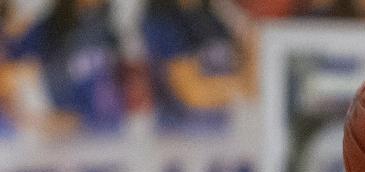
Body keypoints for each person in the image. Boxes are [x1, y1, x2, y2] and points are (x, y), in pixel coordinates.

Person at [6, 0, 125, 136]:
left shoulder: (109, 28)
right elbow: (9, 71)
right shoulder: (47, 29)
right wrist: (30, 117)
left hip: (109, 134)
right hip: (63, 138)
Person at [140, 0, 255, 133]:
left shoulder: (215, 16)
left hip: (219, 132)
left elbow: (250, 86)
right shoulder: (162, 22)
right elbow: (192, 91)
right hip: (180, 135)